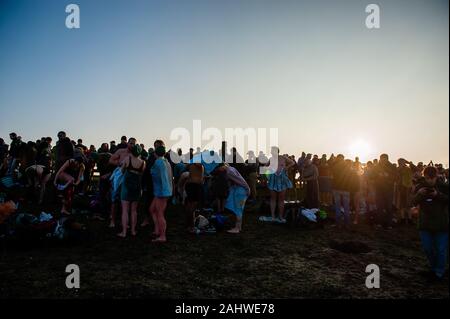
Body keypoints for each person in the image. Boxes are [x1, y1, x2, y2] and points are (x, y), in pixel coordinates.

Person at [412, 166, 448, 281]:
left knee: (441, 250)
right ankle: (434, 268)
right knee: (428, 248)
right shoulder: (420, 187)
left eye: (432, 178)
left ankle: (439, 272)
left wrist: (438, 195)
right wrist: (419, 194)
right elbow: (411, 202)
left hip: (441, 224)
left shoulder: (444, 186)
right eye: (428, 178)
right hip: (425, 223)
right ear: (425, 176)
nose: (430, 181)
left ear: (436, 176)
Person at [117, 144, 146, 238]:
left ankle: (124, 232)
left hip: (126, 186)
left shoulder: (127, 159)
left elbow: (121, 171)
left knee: (125, 210)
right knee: (134, 211)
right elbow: (141, 175)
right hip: (137, 186)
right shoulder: (143, 162)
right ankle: (133, 231)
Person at [108, 138, 136, 227]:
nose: (132, 145)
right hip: (118, 176)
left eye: (134, 144)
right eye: (131, 143)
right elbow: (111, 160)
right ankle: (112, 220)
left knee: (126, 201)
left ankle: (123, 221)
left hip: (128, 177)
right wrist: (120, 163)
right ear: (127, 143)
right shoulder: (121, 151)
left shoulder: (135, 154)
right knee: (115, 199)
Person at [149, 143, 173, 242]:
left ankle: (162, 236)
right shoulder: (165, 161)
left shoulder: (159, 162)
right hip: (161, 191)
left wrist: (165, 191)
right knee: (152, 209)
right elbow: (170, 176)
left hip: (162, 192)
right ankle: (157, 230)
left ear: (155, 153)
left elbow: (164, 177)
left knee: (159, 213)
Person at [266, 147, 296, 223]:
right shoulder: (271, 159)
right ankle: (272, 216)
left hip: (282, 179)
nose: (271, 152)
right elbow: (266, 167)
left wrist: (286, 167)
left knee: (281, 199)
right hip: (273, 179)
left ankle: (280, 216)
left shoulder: (283, 157)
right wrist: (269, 172)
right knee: (273, 198)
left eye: (272, 151)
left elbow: (293, 163)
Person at [223, 163, 250, 233]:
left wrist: (247, 188)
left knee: (238, 209)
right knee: (240, 208)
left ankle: (237, 228)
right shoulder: (232, 169)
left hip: (240, 192)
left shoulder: (229, 172)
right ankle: (239, 227)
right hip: (241, 192)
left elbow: (240, 180)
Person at [178, 163, 204, 233]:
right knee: (192, 208)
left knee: (189, 206)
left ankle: (187, 225)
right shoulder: (199, 165)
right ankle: (191, 226)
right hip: (195, 186)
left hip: (190, 185)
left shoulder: (190, 165)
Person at [373, 154, 397, 229]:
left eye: (384, 159)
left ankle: (389, 224)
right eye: (382, 159)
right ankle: (379, 223)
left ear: (387, 159)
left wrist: (388, 176)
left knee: (389, 207)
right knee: (379, 207)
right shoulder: (376, 167)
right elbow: (372, 176)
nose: (383, 161)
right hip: (379, 189)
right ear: (380, 159)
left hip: (389, 190)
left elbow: (396, 177)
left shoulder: (392, 167)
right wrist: (378, 176)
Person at [331, 155, 352, 228]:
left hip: (337, 188)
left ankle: (338, 224)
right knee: (346, 207)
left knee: (338, 207)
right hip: (346, 189)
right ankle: (347, 224)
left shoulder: (334, 166)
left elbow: (332, 175)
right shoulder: (348, 167)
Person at [397, 158, 414, 225]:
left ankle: (409, 219)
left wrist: (409, 163)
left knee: (408, 204)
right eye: (400, 162)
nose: (401, 163)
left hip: (408, 187)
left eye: (403, 162)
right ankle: (403, 219)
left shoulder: (408, 168)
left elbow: (416, 169)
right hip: (401, 187)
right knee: (402, 204)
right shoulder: (398, 169)